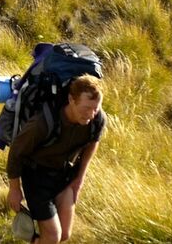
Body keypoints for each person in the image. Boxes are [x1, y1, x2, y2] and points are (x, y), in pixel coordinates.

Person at [6, 75, 106, 243]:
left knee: (64, 235)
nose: (91, 114)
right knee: (53, 236)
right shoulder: (43, 122)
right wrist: (14, 189)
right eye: (86, 108)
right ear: (71, 100)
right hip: (36, 178)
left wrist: (79, 178)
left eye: (95, 108)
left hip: (65, 176)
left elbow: (93, 141)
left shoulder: (97, 120)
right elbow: (16, 151)